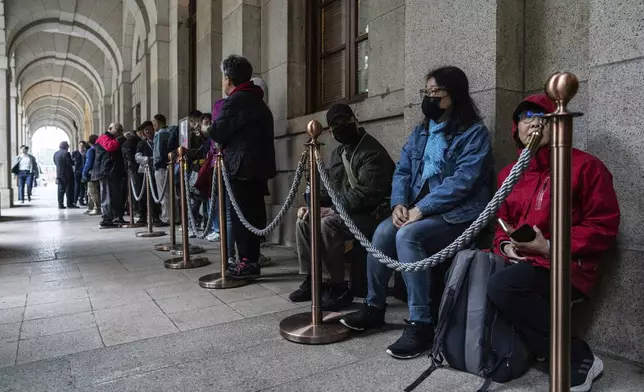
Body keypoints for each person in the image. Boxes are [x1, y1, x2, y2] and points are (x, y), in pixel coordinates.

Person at [340, 66, 493, 359]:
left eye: (437, 92)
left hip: (457, 215)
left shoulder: (474, 134)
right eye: (427, 92)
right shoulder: (421, 132)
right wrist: (399, 203)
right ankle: (374, 307)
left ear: (455, 95)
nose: (430, 98)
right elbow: (403, 171)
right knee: (384, 231)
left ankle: (421, 323)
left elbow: (463, 182)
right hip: (415, 211)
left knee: (408, 236)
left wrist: (421, 209)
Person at [486, 93, 620, 392]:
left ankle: (577, 355)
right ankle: (517, 351)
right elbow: (501, 224)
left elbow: (603, 226)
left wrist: (550, 246)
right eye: (524, 117)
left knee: (503, 285)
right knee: (484, 274)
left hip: (568, 263)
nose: (531, 124)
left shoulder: (586, 167)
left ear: (557, 125)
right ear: (515, 129)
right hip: (522, 260)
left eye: (540, 117)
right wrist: (505, 246)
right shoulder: (510, 173)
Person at [289, 104, 395, 311]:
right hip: (349, 211)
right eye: (334, 125)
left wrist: (334, 210)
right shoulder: (339, 152)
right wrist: (313, 204)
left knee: (328, 224)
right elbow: (333, 188)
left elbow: (367, 194)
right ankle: (314, 279)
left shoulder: (371, 151)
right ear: (329, 131)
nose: (340, 127)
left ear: (355, 121)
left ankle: (338, 286)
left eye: (344, 122)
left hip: (373, 214)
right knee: (303, 221)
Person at [208, 54, 276, 280]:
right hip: (257, 168)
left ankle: (246, 262)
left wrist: (205, 128)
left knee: (241, 217)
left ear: (228, 78)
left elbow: (218, 133)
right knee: (253, 215)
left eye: (223, 77)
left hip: (240, 168)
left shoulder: (236, 101)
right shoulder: (257, 100)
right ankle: (252, 260)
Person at [94, 123, 127, 228]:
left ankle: (117, 217)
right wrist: (123, 138)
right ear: (110, 129)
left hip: (114, 172)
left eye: (121, 131)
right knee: (107, 196)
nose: (120, 133)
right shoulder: (104, 137)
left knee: (116, 196)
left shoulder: (114, 139)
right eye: (118, 130)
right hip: (107, 172)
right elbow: (110, 147)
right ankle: (106, 219)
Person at [135, 121, 161, 225]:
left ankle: (156, 216)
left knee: (155, 194)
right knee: (143, 195)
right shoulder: (142, 143)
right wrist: (147, 159)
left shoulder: (158, 140)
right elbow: (137, 157)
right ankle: (142, 216)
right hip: (144, 172)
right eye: (145, 130)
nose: (148, 132)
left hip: (156, 170)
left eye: (149, 129)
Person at [152, 114, 174, 227]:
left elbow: (158, 152)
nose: (153, 125)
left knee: (163, 194)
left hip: (161, 167)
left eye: (154, 122)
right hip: (169, 165)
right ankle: (175, 216)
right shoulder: (170, 132)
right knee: (170, 193)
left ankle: (166, 218)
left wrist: (155, 163)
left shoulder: (160, 135)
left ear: (159, 122)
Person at [122, 129, 142, 220]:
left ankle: (135, 209)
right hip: (136, 169)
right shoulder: (138, 141)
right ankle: (136, 209)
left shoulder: (128, 143)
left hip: (132, 170)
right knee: (136, 190)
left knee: (135, 190)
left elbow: (128, 157)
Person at [53, 141, 76, 209]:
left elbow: (55, 162)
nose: (68, 147)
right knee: (69, 189)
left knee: (60, 190)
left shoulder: (56, 153)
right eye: (68, 146)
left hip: (59, 174)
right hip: (67, 174)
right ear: (66, 146)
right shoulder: (66, 153)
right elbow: (69, 162)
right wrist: (74, 160)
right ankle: (70, 203)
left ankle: (60, 204)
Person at [82, 135, 101, 215]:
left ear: (89, 142)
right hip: (99, 172)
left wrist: (84, 172)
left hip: (92, 173)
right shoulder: (99, 149)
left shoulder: (91, 150)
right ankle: (92, 207)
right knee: (94, 191)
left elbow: (88, 163)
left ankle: (96, 208)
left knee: (92, 191)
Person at [71, 141, 88, 207]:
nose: (81, 146)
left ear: (84, 146)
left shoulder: (86, 152)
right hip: (77, 172)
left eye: (82, 145)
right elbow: (72, 162)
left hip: (84, 172)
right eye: (80, 145)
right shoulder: (75, 153)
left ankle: (81, 201)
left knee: (83, 187)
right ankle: (75, 201)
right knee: (77, 186)